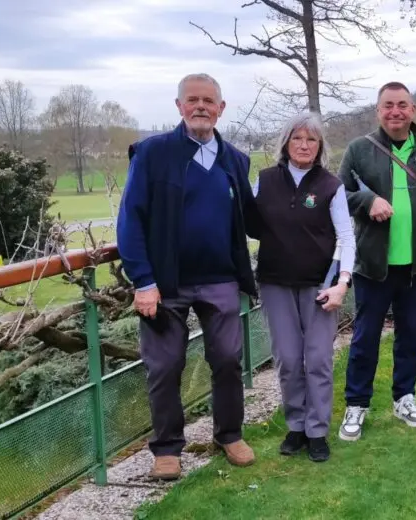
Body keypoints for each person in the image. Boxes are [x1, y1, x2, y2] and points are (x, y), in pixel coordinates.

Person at [117, 73, 260, 480]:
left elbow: (254, 220)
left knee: (228, 360)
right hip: (165, 284)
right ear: (179, 106)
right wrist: (143, 281)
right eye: (192, 100)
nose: (200, 107)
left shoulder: (235, 160)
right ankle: (166, 449)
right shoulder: (152, 154)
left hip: (221, 279)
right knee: (164, 366)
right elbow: (130, 220)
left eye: (208, 101)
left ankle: (229, 435)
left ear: (221, 108)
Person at [336, 81, 416, 441]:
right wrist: (367, 201)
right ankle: (357, 403)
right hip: (373, 266)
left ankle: (404, 397)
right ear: (378, 110)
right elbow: (337, 196)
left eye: (402, 105)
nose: (395, 111)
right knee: (365, 338)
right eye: (388, 105)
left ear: (413, 110)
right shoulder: (359, 150)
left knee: (410, 337)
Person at [252, 112, 355, 463]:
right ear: (285, 143)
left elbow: (346, 238)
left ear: (320, 145)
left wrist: (342, 282)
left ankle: (317, 430)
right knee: (288, 359)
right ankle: (296, 425)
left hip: (320, 287)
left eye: (311, 139)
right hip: (275, 284)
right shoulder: (264, 181)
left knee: (318, 360)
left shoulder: (330, 185)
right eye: (297, 138)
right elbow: (244, 223)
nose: (304, 145)